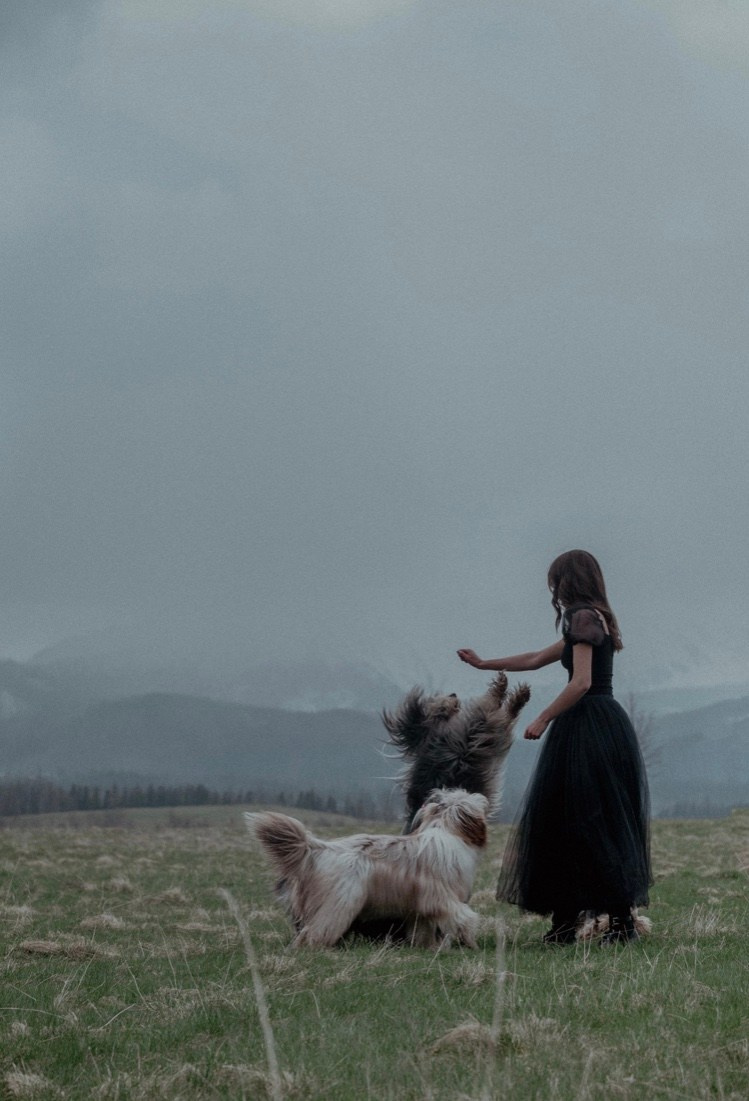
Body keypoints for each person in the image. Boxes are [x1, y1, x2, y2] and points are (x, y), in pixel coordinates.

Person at [457, 549, 651, 946]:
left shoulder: (580, 614)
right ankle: (570, 925)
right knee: (574, 824)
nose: (553, 590)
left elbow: (580, 683)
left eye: (555, 581)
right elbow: (533, 658)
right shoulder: (594, 616)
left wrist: (542, 717)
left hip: (588, 728)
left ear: (568, 581)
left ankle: (617, 926)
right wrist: (484, 664)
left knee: (584, 824)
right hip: (601, 726)